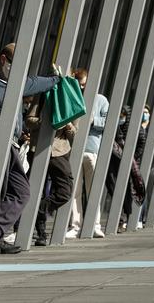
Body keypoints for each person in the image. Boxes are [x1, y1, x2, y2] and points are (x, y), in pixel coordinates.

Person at [0, 43, 59, 254]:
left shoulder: (16, 82)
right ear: (2, 59)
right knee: (10, 190)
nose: (19, 73)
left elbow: (36, 83)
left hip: (11, 143)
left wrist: (59, 79)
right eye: (14, 65)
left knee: (20, 191)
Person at [25, 93, 77, 246]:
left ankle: (41, 209)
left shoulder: (70, 98)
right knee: (35, 190)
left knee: (65, 190)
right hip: (38, 149)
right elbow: (29, 120)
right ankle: (41, 234)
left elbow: (74, 131)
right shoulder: (42, 96)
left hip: (59, 151)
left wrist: (66, 124)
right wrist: (45, 123)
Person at [67, 68, 107, 239]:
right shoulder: (73, 97)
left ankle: (95, 225)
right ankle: (75, 225)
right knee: (74, 191)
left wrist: (93, 120)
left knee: (93, 189)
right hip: (74, 148)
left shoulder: (101, 100)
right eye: (79, 85)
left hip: (92, 148)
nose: (82, 89)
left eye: (84, 85)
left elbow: (109, 121)